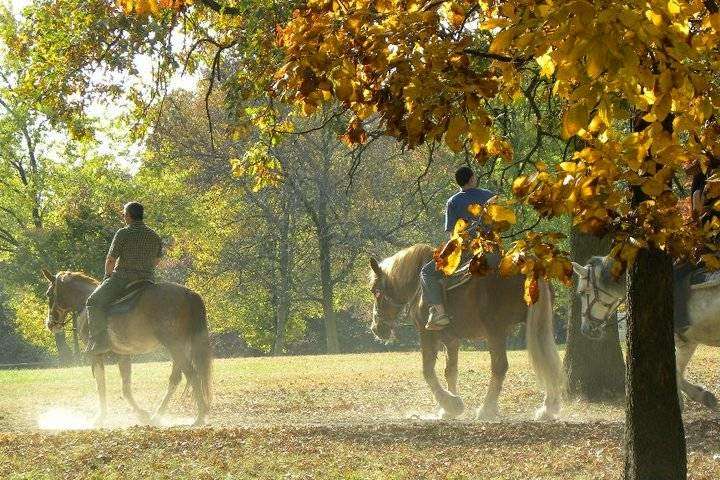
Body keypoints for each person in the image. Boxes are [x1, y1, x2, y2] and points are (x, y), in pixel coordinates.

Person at [420, 166, 494, 331]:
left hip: (466, 250)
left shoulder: (453, 201)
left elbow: (452, 234)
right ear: (472, 178)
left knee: (426, 272)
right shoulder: (490, 196)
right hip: (491, 246)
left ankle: (440, 314)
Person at [85, 202, 163, 355]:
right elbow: (156, 261)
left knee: (92, 302)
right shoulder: (154, 236)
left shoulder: (123, 233)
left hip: (123, 279)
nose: (123, 217)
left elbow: (111, 259)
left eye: (123, 214)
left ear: (128, 216)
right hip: (147, 281)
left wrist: (107, 276)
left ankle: (99, 342)